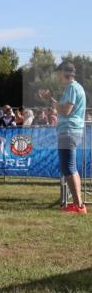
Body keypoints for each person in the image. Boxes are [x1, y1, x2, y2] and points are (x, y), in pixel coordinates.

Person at [40, 62, 87, 214]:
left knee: (68, 168)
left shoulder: (72, 87)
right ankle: (78, 204)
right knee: (71, 167)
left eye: (57, 73)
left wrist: (50, 100)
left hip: (69, 131)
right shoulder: (75, 87)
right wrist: (52, 100)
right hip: (72, 131)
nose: (56, 76)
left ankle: (78, 206)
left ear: (63, 73)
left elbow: (66, 110)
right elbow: (64, 108)